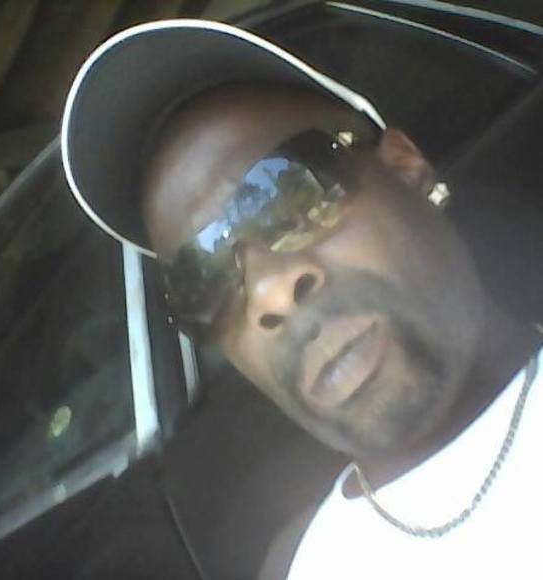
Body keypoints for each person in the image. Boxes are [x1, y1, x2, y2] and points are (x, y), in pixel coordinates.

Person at [62, 18, 542, 579]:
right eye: (203, 281)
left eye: (286, 195)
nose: (270, 295)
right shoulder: (300, 566)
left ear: (404, 166)